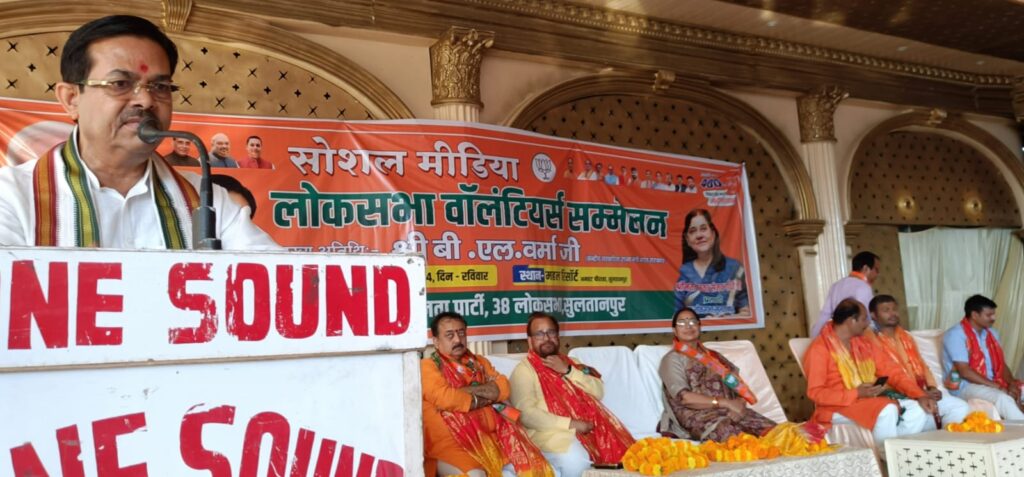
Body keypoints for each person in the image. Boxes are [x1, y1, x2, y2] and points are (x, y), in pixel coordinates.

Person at [0, 15, 276, 250]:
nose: (145, 101)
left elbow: (278, 281)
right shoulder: (11, 196)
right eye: (120, 83)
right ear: (72, 99)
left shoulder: (210, 203)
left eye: (160, 87)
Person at [421, 312, 554, 477]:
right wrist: (488, 394)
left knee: (531, 467)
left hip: (492, 438)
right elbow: (446, 398)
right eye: (449, 335)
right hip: (454, 444)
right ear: (436, 341)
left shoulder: (479, 362)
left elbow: (504, 388)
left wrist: (464, 393)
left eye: (461, 333)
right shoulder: (428, 366)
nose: (457, 340)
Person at [510, 313, 635, 477]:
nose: (546, 338)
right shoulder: (524, 371)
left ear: (558, 336)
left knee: (628, 456)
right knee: (577, 461)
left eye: (551, 332)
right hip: (550, 435)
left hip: (590, 429)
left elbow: (598, 391)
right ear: (529, 340)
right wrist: (571, 424)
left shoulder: (572, 363)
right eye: (539, 334)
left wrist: (568, 371)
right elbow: (526, 415)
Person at [804, 299, 933, 453]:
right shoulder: (819, 349)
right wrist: (856, 393)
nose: (868, 323)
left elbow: (893, 371)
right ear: (851, 321)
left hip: (867, 400)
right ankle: (888, 457)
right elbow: (816, 393)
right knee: (887, 409)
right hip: (836, 407)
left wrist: (919, 395)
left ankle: (895, 454)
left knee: (917, 409)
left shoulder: (863, 343)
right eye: (864, 318)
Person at [658, 307, 776, 441]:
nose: (688, 326)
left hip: (731, 410)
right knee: (738, 439)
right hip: (698, 416)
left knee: (779, 433)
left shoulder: (715, 357)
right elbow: (686, 398)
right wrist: (725, 403)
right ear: (674, 330)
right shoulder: (672, 359)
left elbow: (738, 385)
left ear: (699, 326)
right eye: (681, 323)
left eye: (692, 321)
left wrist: (739, 404)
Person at [871, 295, 969, 427]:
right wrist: (918, 393)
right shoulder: (872, 341)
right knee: (921, 413)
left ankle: (946, 438)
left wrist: (932, 387)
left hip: (921, 392)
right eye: (886, 310)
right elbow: (887, 377)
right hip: (896, 395)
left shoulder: (906, 337)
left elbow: (922, 365)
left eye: (894, 309)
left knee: (960, 407)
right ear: (873, 315)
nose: (892, 313)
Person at [942, 294, 1024, 419]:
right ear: (975, 315)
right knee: (1003, 398)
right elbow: (965, 372)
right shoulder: (956, 335)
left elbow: (1001, 364)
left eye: (994, 314)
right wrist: (998, 387)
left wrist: (1012, 383)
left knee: (1018, 391)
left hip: (993, 382)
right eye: (989, 315)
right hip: (965, 386)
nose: (993, 318)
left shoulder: (992, 333)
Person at [673, 208, 749, 317]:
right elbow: (677, 316)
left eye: (703, 229)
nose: (699, 235)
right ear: (687, 239)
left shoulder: (735, 268)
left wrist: (724, 319)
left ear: (713, 234)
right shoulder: (684, 272)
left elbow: (746, 312)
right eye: (693, 231)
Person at [809, 251, 880, 338]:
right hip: (856, 338)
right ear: (865, 269)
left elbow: (824, 315)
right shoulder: (863, 287)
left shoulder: (836, 285)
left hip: (836, 336)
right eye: (876, 270)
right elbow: (867, 319)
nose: (877, 274)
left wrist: (815, 337)